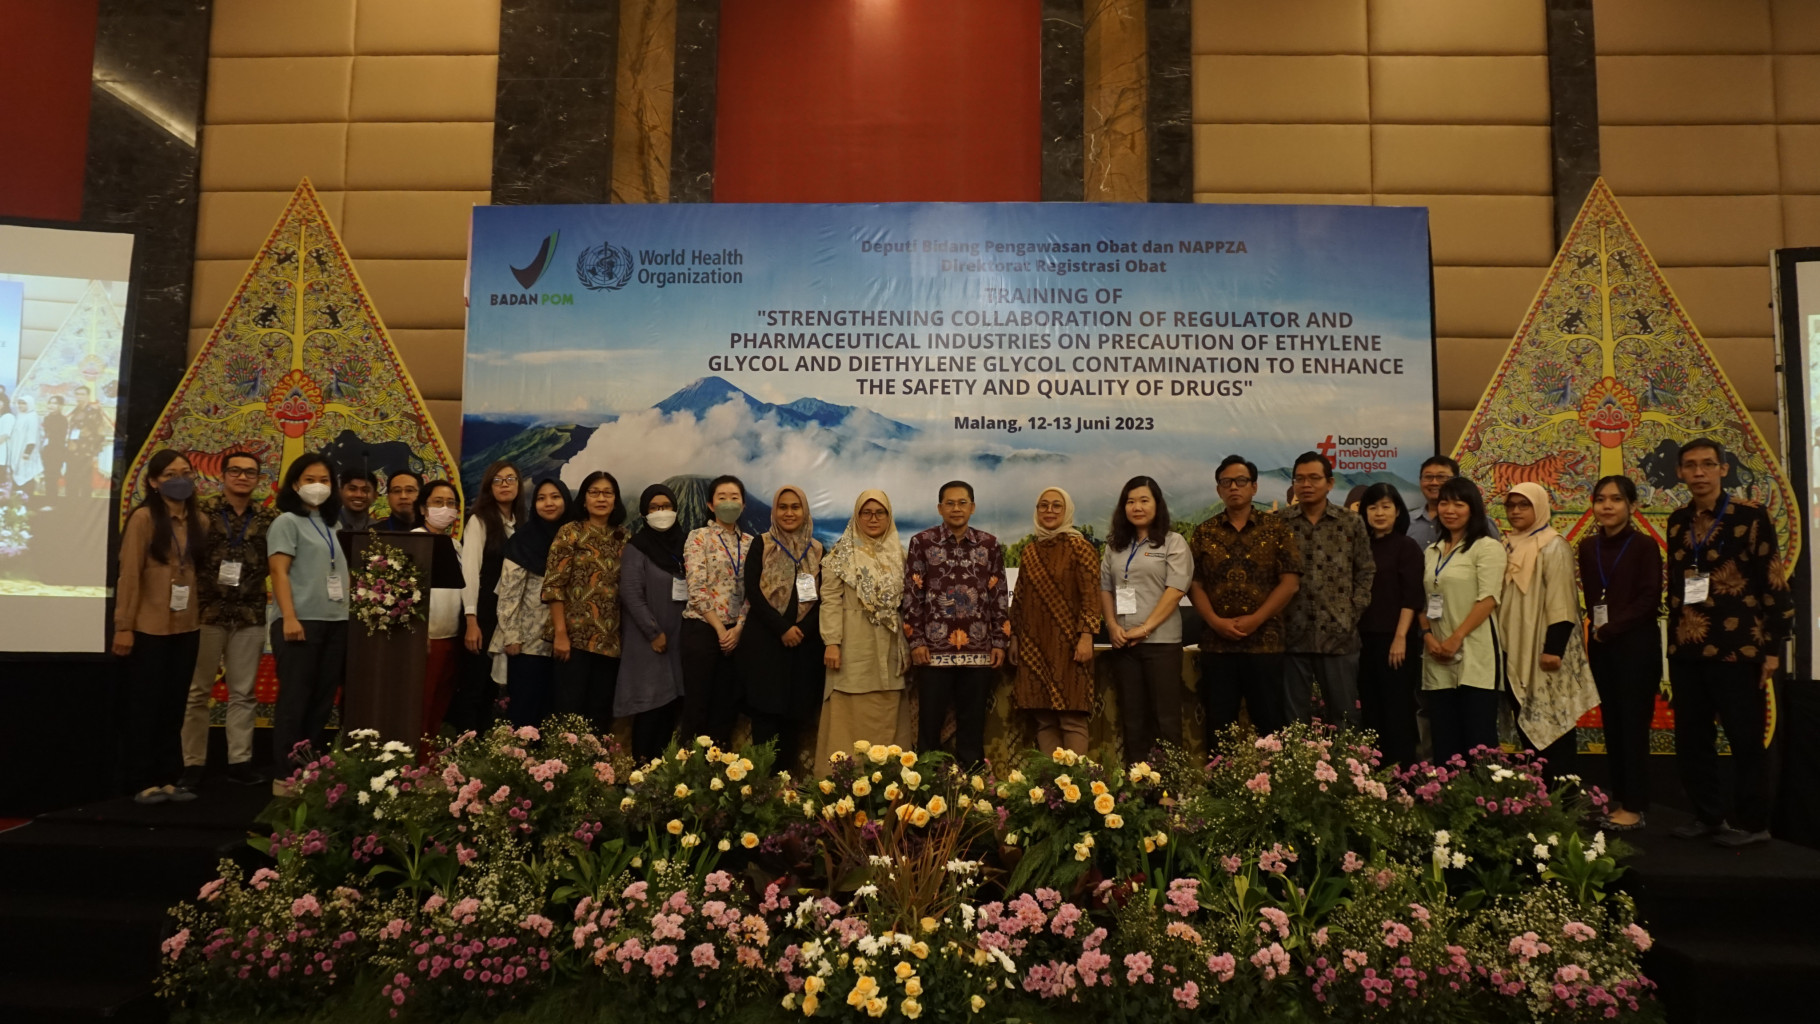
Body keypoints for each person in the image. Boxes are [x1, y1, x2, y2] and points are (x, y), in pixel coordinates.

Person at [1665, 438, 1792, 847]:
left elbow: (1772, 579)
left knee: (1744, 737)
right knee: (1692, 739)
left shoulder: (1750, 515)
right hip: (1687, 647)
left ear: (1723, 469)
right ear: (1680, 473)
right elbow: (1675, 584)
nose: (1698, 472)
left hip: (1738, 646)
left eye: (1707, 464)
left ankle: (1754, 825)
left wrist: (1773, 648)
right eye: (1690, 465)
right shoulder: (1677, 520)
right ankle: (1708, 816)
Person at [114, 450, 204, 804]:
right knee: (145, 706)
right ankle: (141, 781)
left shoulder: (199, 521)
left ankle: (168, 778)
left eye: (186, 472)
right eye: (169, 474)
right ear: (153, 482)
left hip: (187, 626)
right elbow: (129, 575)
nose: (179, 479)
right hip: (147, 627)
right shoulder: (143, 519)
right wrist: (124, 626)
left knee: (174, 706)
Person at [1189, 455, 1300, 742]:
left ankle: (1272, 773)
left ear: (1254, 487)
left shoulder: (1276, 529)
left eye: (1241, 481)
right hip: (1217, 644)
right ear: (1219, 490)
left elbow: (1290, 583)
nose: (1233, 487)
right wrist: (1215, 622)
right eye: (1226, 482)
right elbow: (1194, 584)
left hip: (1265, 642)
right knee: (1219, 726)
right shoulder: (1204, 532)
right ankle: (1220, 774)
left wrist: (1256, 620)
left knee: (1270, 724)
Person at [182, 449, 274, 788]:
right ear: (222, 476)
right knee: (197, 692)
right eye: (235, 471)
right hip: (206, 611)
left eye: (250, 472)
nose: (242, 477)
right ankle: (193, 763)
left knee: (243, 692)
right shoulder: (201, 513)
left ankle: (240, 761)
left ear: (258, 479)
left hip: (249, 613)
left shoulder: (269, 518)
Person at [902, 480, 1009, 767]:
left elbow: (998, 595)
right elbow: (912, 595)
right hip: (932, 651)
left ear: (973, 507)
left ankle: (971, 784)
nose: (956, 508)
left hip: (979, 649)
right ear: (940, 508)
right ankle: (926, 782)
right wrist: (916, 640)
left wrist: (1000, 641)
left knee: (972, 726)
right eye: (949, 503)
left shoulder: (989, 544)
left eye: (962, 502)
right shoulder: (922, 543)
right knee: (929, 725)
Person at [1577, 474, 1662, 831]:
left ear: (1632, 506)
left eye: (1615, 499)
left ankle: (1635, 806)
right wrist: (1599, 633)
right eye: (1600, 499)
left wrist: (1611, 628)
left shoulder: (1644, 546)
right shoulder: (1587, 546)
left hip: (1636, 647)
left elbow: (1649, 599)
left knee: (1632, 727)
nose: (1607, 506)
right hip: (1603, 647)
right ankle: (1621, 800)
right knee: (1612, 725)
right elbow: (1593, 596)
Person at [1498, 481, 1599, 780]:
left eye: (1524, 505)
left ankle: (1562, 795)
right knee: (1525, 721)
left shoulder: (1553, 545)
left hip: (1544, 648)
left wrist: (1553, 649)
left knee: (1553, 723)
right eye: (1511, 505)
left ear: (1540, 507)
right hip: (1514, 645)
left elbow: (1562, 602)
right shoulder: (1507, 545)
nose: (1515, 511)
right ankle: (1538, 794)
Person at [267, 453, 350, 783]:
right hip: (300, 620)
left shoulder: (335, 525)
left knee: (323, 698)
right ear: (295, 484)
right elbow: (278, 571)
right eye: (310, 480)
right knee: (295, 698)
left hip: (336, 621)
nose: (318, 486)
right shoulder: (286, 522)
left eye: (325, 480)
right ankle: (287, 770)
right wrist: (289, 617)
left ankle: (311, 766)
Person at [1278, 452, 1374, 726]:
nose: (1306, 484)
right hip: (1291, 634)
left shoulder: (1350, 521)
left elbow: (1366, 570)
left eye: (1314, 478)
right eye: (1299, 479)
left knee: (1344, 717)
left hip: (1339, 635)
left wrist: (1352, 612)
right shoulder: (1279, 523)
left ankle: (1346, 756)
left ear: (1330, 483)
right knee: (1293, 722)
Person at [1100, 476, 1191, 764]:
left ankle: (1171, 784)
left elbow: (1176, 590)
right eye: (1130, 501)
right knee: (1133, 720)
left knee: (1165, 719)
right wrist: (1112, 626)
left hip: (1161, 644)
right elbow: (1105, 589)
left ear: (1157, 505)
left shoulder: (1173, 542)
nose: (1136, 507)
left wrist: (1146, 628)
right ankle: (1136, 784)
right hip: (1125, 644)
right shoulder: (1115, 546)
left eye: (1144, 500)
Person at [817, 489, 910, 768]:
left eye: (880, 512)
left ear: (889, 516)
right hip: (852, 645)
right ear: (856, 516)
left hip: (889, 647)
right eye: (866, 512)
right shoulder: (840, 556)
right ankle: (843, 782)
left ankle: (887, 782)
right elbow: (830, 599)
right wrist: (832, 642)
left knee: (887, 710)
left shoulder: (900, 555)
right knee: (847, 713)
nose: (873, 518)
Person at [1420, 476, 1507, 764]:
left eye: (1459, 504)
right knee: (1445, 742)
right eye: (1444, 503)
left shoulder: (1487, 547)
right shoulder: (1431, 551)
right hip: (1437, 656)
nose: (1450, 510)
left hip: (1475, 656)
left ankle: (1483, 793)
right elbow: (1421, 601)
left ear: (1473, 508)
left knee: (1478, 743)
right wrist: (1428, 636)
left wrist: (1456, 638)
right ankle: (1447, 793)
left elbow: (1489, 599)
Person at [1010, 486, 1102, 757]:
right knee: (1044, 718)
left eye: (1056, 506)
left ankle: (1078, 782)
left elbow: (1091, 596)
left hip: (1070, 647)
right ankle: (1051, 782)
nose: (1049, 511)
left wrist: (1087, 636)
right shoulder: (1029, 551)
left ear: (1067, 511)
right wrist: (1014, 637)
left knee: (1071, 717)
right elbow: (1020, 598)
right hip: (1034, 646)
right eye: (1044, 505)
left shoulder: (1081, 548)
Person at [741, 485, 826, 767]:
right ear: (774, 511)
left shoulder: (817, 550)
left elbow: (823, 597)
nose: (789, 513)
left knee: (794, 716)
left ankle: (786, 783)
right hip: (766, 642)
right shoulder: (762, 544)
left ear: (805, 511)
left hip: (803, 645)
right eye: (783, 507)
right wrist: (782, 628)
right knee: (765, 715)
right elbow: (752, 591)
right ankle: (761, 784)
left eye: (795, 507)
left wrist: (802, 629)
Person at [543, 470, 629, 735]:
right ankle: (563, 760)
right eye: (594, 493)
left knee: (599, 714)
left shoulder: (624, 537)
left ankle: (595, 761)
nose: (601, 498)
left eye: (607, 493)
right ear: (583, 499)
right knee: (568, 711)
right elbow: (554, 585)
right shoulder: (571, 532)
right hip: (573, 638)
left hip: (609, 641)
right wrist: (560, 634)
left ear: (615, 499)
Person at [1354, 483, 1424, 766]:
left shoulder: (1406, 547)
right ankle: (1374, 774)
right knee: (1370, 709)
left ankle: (1403, 774)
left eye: (1386, 507)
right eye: (1373, 507)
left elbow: (1412, 597)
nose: (1379, 513)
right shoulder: (1359, 548)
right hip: (1362, 641)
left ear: (1397, 511)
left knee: (1397, 709)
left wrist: (1400, 637)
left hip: (1395, 640)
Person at [681, 475, 754, 746]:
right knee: (697, 704)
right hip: (703, 629)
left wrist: (739, 628)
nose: (728, 502)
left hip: (737, 633)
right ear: (711, 505)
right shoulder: (699, 537)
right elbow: (696, 587)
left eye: (734, 497)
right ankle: (688, 767)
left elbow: (754, 590)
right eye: (722, 497)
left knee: (726, 706)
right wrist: (721, 629)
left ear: (743, 505)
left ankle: (720, 767)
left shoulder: (751, 542)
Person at [495, 478, 571, 730]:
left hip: (566, 644)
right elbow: (508, 593)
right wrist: (512, 636)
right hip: (528, 644)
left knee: (554, 714)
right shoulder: (523, 541)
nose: (548, 503)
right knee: (525, 714)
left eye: (555, 497)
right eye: (541, 498)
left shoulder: (574, 538)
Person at [618, 484, 688, 760]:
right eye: (654, 508)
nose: (661, 512)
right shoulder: (637, 547)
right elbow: (630, 593)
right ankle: (641, 773)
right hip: (648, 641)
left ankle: (663, 777)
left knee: (671, 707)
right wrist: (653, 632)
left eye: (666, 506)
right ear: (644, 513)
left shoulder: (685, 545)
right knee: (650, 707)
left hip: (679, 640)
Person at [456, 459, 522, 731]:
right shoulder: (479, 521)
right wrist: (471, 620)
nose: (505, 484)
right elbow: (470, 572)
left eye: (510, 479)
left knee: (493, 690)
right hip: (482, 614)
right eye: (498, 480)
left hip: (507, 617)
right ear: (489, 487)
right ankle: (465, 742)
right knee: (474, 683)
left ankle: (484, 744)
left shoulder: (520, 524)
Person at [413, 480, 466, 738]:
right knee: (420, 702)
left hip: (452, 636)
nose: (445, 508)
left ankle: (430, 749)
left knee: (440, 701)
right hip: (427, 639)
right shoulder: (414, 540)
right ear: (423, 508)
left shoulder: (455, 545)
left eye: (450, 503)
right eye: (438, 502)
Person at [1408, 456, 1503, 548]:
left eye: (1441, 477)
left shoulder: (1480, 522)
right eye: (1428, 477)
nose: (1434, 482)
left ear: (1456, 480)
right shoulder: (1407, 520)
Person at [65, 384, 111, 499]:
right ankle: (70, 503)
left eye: (82, 394)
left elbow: (100, 433)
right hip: (72, 450)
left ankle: (84, 505)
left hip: (86, 451)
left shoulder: (93, 411)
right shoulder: (75, 411)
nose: (79, 397)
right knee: (71, 479)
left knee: (84, 480)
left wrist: (95, 452)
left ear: (88, 396)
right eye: (77, 394)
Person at [3, 395, 42, 496]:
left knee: (26, 476)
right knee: (15, 476)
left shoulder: (32, 416)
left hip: (26, 453)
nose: (20, 405)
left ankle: (27, 501)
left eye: (24, 403)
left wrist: (27, 452)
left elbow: (32, 436)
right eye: (19, 403)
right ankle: (17, 502)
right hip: (16, 451)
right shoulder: (20, 416)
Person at [40, 395, 68, 497]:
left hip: (56, 452)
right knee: (47, 477)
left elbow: (59, 437)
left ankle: (52, 501)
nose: (51, 405)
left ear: (60, 406)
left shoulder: (62, 420)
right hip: (47, 451)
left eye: (55, 403)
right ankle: (48, 501)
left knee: (53, 477)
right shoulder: (47, 418)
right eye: (50, 403)